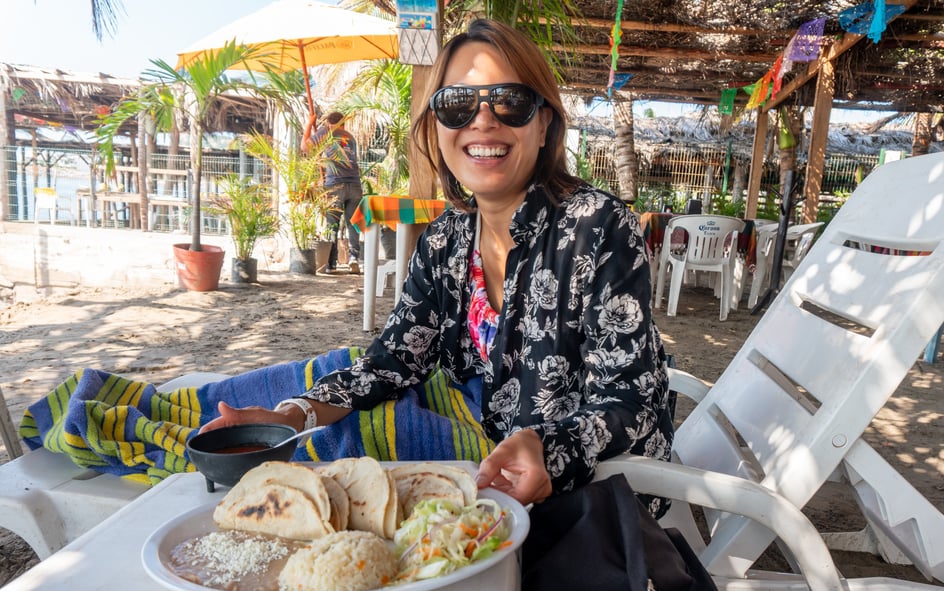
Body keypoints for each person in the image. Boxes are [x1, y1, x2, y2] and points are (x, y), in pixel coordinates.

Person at [202, 18, 675, 507]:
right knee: (323, 384)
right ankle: (158, 413)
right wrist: (296, 415)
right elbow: (394, 359)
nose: (483, 121)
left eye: (510, 101)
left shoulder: (599, 227)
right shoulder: (447, 238)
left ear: (543, 123)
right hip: (480, 434)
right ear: (436, 126)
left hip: (576, 487)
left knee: (347, 444)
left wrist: (546, 446)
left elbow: (628, 402)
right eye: (457, 105)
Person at [301, 110, 364, 273]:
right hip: (355, 184)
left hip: (336, 184)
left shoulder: (327, 131)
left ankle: (331, 263)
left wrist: (309, 123)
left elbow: (305, 147)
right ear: (343, 123)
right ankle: (353, 259)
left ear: (329, 123)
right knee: (353, 224)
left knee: (332, 224)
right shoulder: (350, 137)